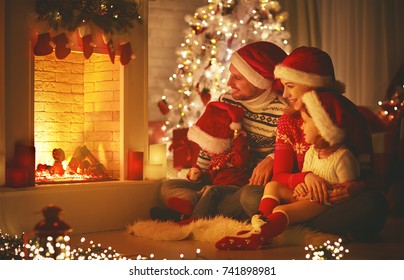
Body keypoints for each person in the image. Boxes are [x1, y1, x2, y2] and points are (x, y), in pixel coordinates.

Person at [238, 46, 388, 241]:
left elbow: (373, 179)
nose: (284, 94)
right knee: (250, 195)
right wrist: (304, 179)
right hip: (298, 196)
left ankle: (285, 224)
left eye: (290, 86)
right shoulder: (288, 121)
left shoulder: (350, 117)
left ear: (313, 84)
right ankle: (301, 224)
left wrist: (357, 187)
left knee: (373, 204)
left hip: (332, 202)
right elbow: (280, 176)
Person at [152, 41, 289, 221]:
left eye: (237, 78)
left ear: (259, 80)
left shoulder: (283, 111)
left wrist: (273, 158)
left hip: (246, 186)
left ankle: (190, 214)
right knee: (167, 187)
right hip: (219, 178)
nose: (228, 82)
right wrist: (198, 171)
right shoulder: (226, 100)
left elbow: (294, 152)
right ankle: (203, 205)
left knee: (250, 199)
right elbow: (212, 141)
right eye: (231, 75)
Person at [216, 90, 360, 250]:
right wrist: (300, 187)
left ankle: (262, 236)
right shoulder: (312, 152)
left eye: (305, 122)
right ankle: (260, 223)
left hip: (323, 202)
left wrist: (321, 193)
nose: (302, 126)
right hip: (305, 197)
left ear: (321, 127)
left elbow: (347, 194)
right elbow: (302, 174)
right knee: (272, 186)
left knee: (280, 209)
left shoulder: (343, 157)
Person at [167, 101, 250, 221]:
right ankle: (179, 213)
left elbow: (242, 161)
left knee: (211, 190)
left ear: (221, 142)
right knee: (203, 189)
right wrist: (198, 175)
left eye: (207, 147)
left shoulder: (234, 153)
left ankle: (195, 219)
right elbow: (211, 177)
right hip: (215, 191)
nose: (204, 150)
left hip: (233, 190)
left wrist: (239, 139)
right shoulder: (215, 158)